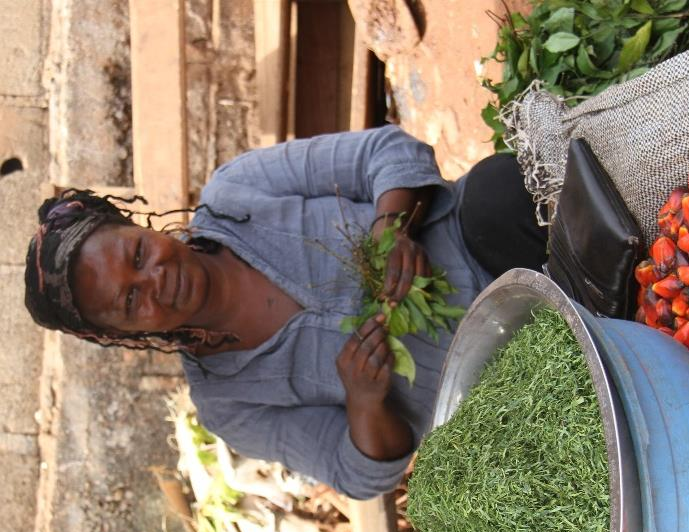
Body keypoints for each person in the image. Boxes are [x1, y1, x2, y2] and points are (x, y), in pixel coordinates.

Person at [24, 126, 548, 499]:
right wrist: (364, 401)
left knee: (499, 190)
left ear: (141, 226)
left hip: (480, 245)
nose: (155, 280)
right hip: (480, 392)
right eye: (131, 301)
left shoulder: (236, 191)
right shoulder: (229, 404)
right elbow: (360, 473)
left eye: (138, 254)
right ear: (124, 335)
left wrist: (393, 227)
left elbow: (384, 151)